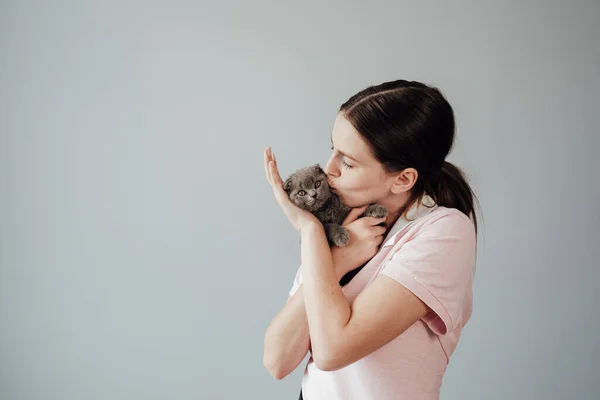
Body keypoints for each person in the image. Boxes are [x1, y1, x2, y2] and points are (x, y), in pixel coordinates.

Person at [262, 80, 479, 400]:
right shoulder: (342, 225)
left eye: (347, 162)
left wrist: (308, 232)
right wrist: (335, 261)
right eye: (332, 149)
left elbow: (332, 351)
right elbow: (278, 360)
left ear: (403, 179)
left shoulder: (444, 233)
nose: (328, 168)